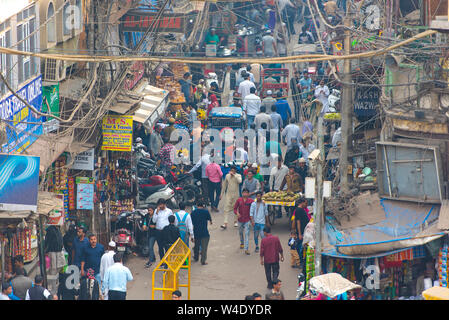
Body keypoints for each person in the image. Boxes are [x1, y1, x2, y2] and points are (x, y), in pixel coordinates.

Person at [191, 200, 212, 265]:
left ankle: (196, 258)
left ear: (197, 205)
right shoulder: (206, 212)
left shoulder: (193, 212)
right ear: (203, 206)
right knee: (204, 247)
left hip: (196, 232)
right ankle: (203, 261)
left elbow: (190, 222)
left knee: (196, 246)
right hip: (204, 232)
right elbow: (210, 220)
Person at [234, 189, 254, 255]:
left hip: (247, 220)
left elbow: (254, 207)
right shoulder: (239, 200)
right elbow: (234, 208)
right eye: (244, 193)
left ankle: (246, 249)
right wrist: (237, 213)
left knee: (246, 234)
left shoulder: (251, 201)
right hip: (240, 220)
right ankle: (242, 242)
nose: (245, 194)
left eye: (246, 193)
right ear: (242, 193)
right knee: (240, 232)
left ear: (248, 194)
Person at [293, 198, 309, 269]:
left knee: (301, 247)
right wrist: (299, 234)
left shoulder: (301, 210)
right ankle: (300, 262)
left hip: (303, 231)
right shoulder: (299, 210)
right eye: (305, 203)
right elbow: (298, 222)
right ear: (302, 203)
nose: (306, 205)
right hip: (301, 232)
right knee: (300, 247)